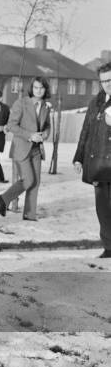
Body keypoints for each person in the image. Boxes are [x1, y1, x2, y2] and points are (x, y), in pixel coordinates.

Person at [0, 77, 51, 221]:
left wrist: (44, 134)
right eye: (36, 88)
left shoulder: (45, 106)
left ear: (45, 90)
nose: (39, 91)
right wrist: (30, 135)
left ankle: (29, 214)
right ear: (32, 89)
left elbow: (47, 126)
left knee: (36, 182)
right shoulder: (21, 103)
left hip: (37, 149)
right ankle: (4, 198)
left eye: (42, 88)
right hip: (22, 147)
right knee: (28, 179)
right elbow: (12, 125)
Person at [73, 62, 111, 258]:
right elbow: (85, 131)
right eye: (104, 81)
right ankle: (109, 247)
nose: (108, 85)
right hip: (99, 165)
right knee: (103, 208)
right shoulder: (95, 102)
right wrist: (79, 157)